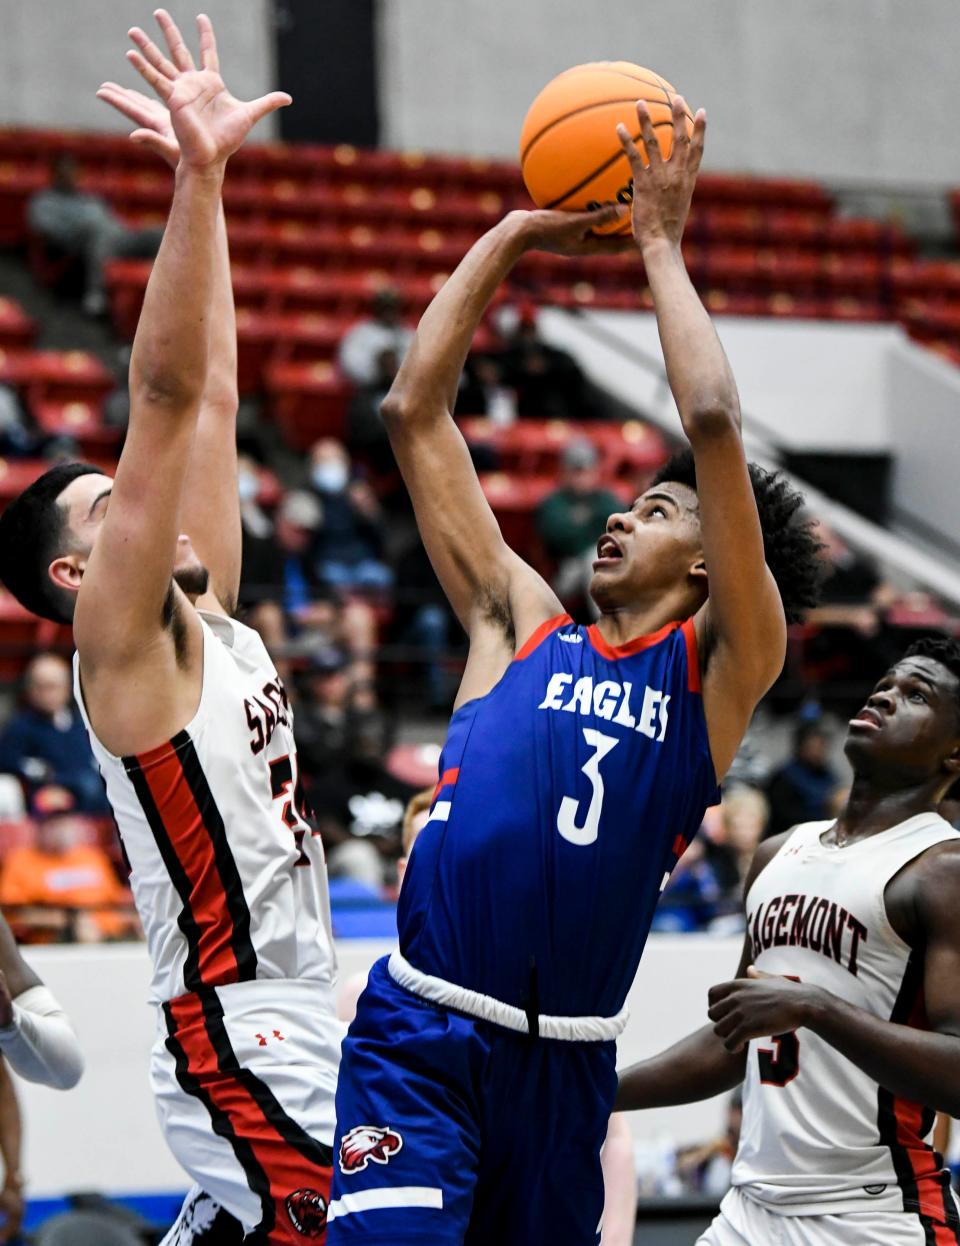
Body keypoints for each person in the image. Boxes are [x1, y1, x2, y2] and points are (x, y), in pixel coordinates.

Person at [325, 97, 822, 1244]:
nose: (614, 517)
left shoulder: (723, 671)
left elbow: (708, 415)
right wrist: (512, 234)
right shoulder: (520, 624)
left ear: (706, 561)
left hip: (565, 1071)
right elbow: (413, 410)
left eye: (650, 511)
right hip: (421, 1037)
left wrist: (658, 242)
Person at [0, 15, 341, 1244]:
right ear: (76, 569)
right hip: (231, 1023)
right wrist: (196, 173)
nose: (146, 506)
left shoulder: (217, 620)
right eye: (113, 504)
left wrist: (225, 195)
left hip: (306, 1006)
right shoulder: (124, 652)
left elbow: (218, 394)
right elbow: (165, 392)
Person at [617, 635, 960, 1245]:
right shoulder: (780, 851)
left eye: (916, 695)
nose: (885, 695)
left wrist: (817, 1010)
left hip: (874, 1213)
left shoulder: (943, 871)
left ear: (954, 752)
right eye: (887, 683)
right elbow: (734, 1040)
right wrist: (600, 1092)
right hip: (750, 1208)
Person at [27, 153, 162, 316]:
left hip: (116, 237)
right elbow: (46, 231)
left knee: (157, 233)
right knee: (97, 232)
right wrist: (81, 228)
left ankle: (160, 286)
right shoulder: (44, 201)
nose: (69, 176)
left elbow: (113, 222)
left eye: (72, 171)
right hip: (76, 244)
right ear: (55, 174)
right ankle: (96, 296)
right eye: (64, 172)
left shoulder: (90, 199)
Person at [0, 788, 137, 943]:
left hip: (109, 935)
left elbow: (113, 901)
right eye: (51, 821)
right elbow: (14, 913)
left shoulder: (93, 857)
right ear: (37, 825)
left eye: (65, 819)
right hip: (57, 940)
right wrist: (68, 921)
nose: (60, 827)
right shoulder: (21, 861)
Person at [0, 653, 110, 814]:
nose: (46, 693)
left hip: (90, 792)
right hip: (47, 794)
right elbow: (9, 762)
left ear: (67, 688)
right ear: (30, 689)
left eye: (52, 686)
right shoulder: (21, 726)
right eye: (40, 687)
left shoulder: (82, 724)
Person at [535, 438, 626, 606]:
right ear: (564, 472)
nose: (582, 477)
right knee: (593, 560)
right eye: (576, 471)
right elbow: (561, 538)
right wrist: (596, 527)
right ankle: (606, 626)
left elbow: (621, 524)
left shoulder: (604, 498)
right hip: (565, 570)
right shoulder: (554, 502)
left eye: (586, 471)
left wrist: (584, 523)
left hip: (608, 562)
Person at [765, 720, 840, 837]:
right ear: (800, 747)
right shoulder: (784, 777)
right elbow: (781, 816)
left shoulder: (829, 775)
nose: (818, 751)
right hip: (792, 836)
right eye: (813, 746)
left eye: (821, 746)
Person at [337, 288, 413, 388]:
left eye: (392, 308)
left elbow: (417, 366)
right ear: (376, 308)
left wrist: (396, 367)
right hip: (370, 389)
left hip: (401, 389)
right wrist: (378, 367)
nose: (388, 312)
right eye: (384, 308)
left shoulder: (408, 334)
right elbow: (349, 364)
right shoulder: (360, 333)